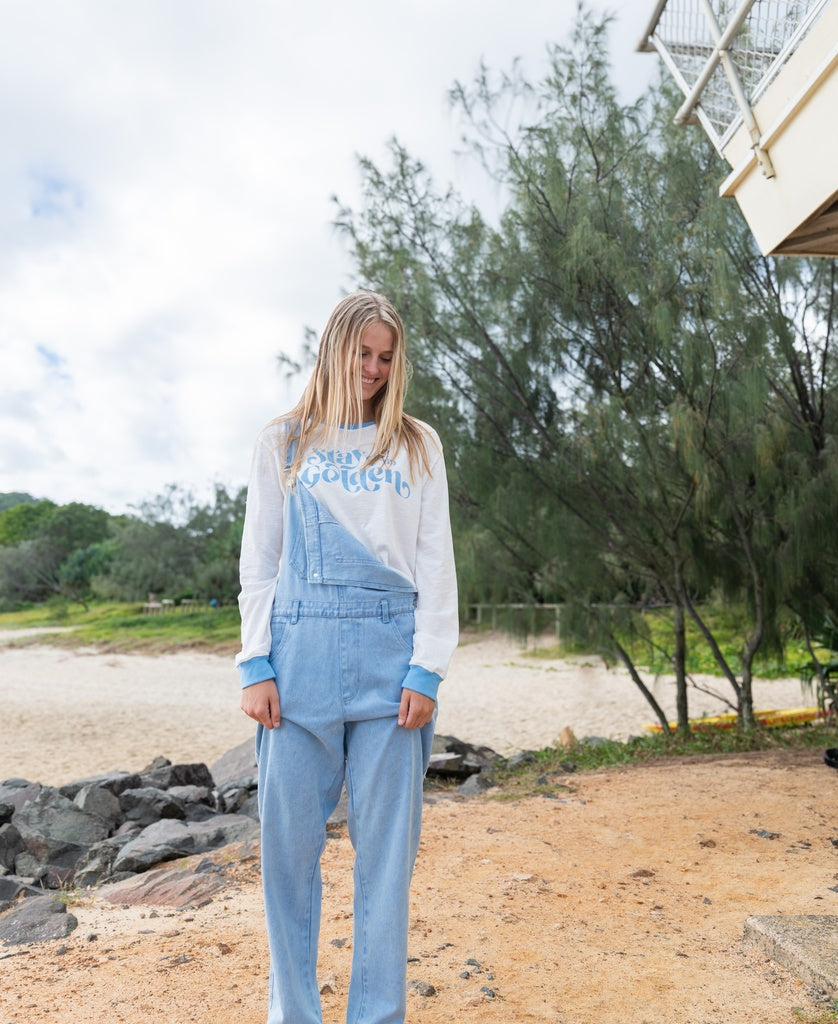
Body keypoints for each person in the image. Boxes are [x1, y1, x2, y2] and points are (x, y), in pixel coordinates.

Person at [236, 289, 459, 1024]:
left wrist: (428, 667)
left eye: (386, 357)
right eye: (362, 353)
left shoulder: (417, 445)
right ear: (334, 348)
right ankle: (294, 1015)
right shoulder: (283, 442)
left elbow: (436, 563)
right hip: (295, 660)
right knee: (288, 856)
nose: (372, 369)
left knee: (387, 860)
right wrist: (255, 663)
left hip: (392, 666)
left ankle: (377, 1015)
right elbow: (260, 560)